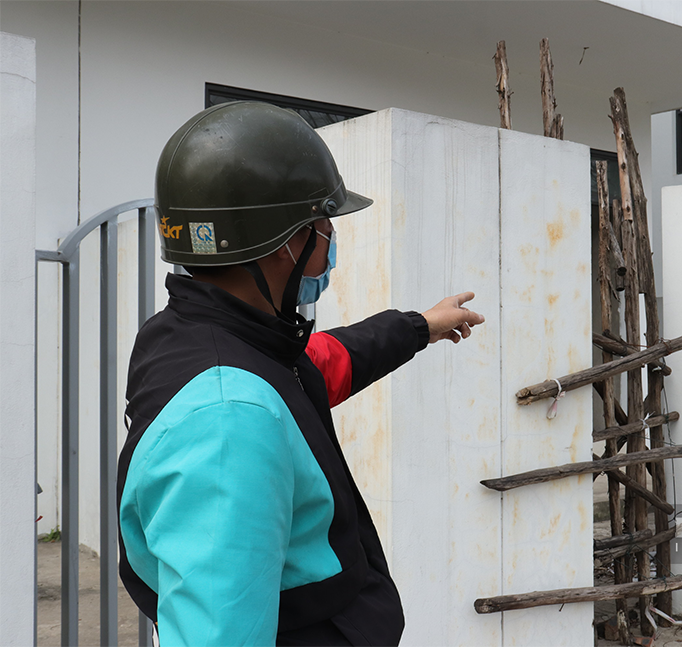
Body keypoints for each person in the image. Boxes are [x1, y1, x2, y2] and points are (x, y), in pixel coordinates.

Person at [117, 101, 484, 646]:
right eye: (325, 226)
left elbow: (321, 365)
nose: (331, 242)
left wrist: (418, 327)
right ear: (288, 243)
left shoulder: (207, 339)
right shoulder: (228, 421)